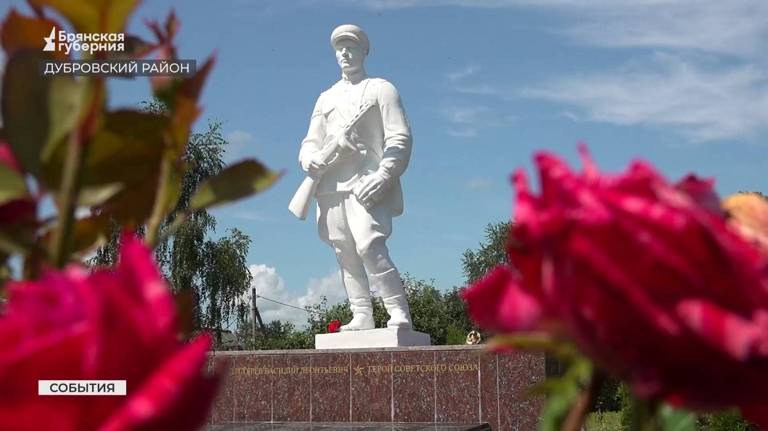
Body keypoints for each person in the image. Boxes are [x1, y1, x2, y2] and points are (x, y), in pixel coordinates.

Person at [298, 24, 413, 331]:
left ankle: (398, 312)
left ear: (365, 51)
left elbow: (399, 138)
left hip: (366, 181)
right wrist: (309, 159)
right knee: (344, 251)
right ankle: (361, 313)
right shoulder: (325, 98)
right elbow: (311, 141)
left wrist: (385, 174)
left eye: (351, 47)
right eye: (340, 48)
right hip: (331, 187)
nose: (345, 53)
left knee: (369, 246)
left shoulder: (381, 89)